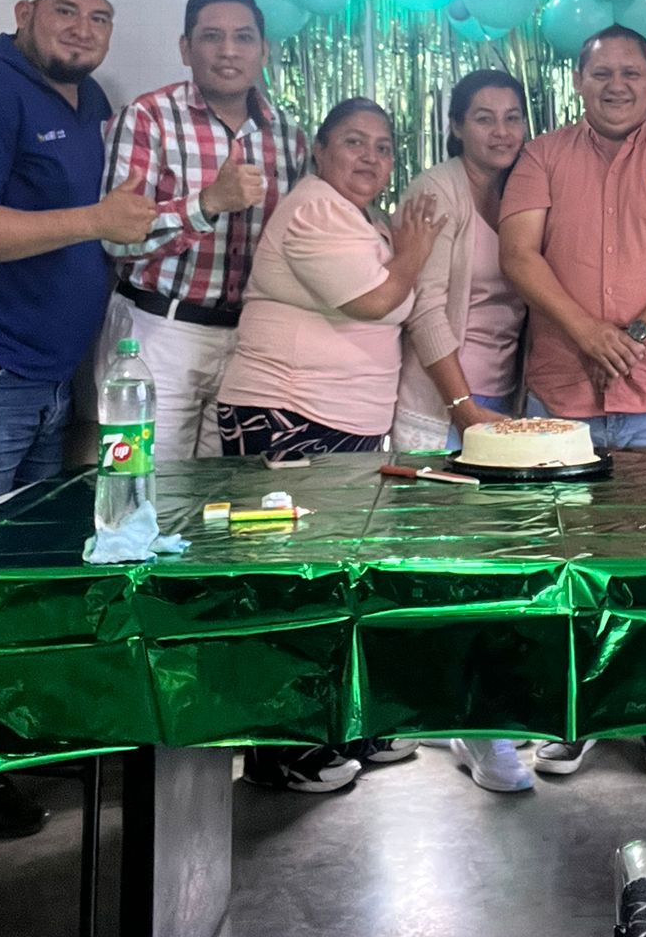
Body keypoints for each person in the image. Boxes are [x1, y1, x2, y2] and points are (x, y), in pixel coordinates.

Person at [0, 0, 157, 836]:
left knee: (23, 578)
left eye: (99, 17)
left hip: (49, 381)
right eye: (65, 11)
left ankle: (10, 742)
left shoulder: (91, 102)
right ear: (23, 13)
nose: (82, 29)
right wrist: (95, 223)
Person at [499, 24, 646, 780]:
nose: (617, 85)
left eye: (631, 72)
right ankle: (579, 714)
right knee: (569, 559)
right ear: (579, 80)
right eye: (602, 73)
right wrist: (587, 332)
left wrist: (634, 335)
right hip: (562, 393)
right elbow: (519, 256)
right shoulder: (542, 157)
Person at [218, 96, 444, 794]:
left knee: (335, 580)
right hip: (286, 417)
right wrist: (413, 256)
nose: (371, 157)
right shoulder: (314, 209)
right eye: (354, 141)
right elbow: (373, 302)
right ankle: (280, 749)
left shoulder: (363, 219)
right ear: (319, 150)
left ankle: (343, 725)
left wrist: (402, 256)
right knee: (289, 587)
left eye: (383, 146)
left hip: (344, 428)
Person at [97, 0, 307, 460]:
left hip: (251, 342)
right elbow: (116, 240)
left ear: (264, 50)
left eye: (243, 37)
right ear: (185, 48)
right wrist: (208, 203)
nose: (229, 51)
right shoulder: (147, 118)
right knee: (142, 478)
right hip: (156, 333)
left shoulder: (288, 136)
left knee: (223, 491)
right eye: (212, 36)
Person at [394, 69, 531, 792]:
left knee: (496, 567)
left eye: (512, 116)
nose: (500, 131)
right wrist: (462, 408)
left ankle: (467, 714)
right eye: (483, 117)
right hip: (440, 405)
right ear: (455, 126)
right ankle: (481, 730)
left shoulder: (527, 186)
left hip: (502, 406)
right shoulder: (435, 191)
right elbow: (422, 308)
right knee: (451, 570)